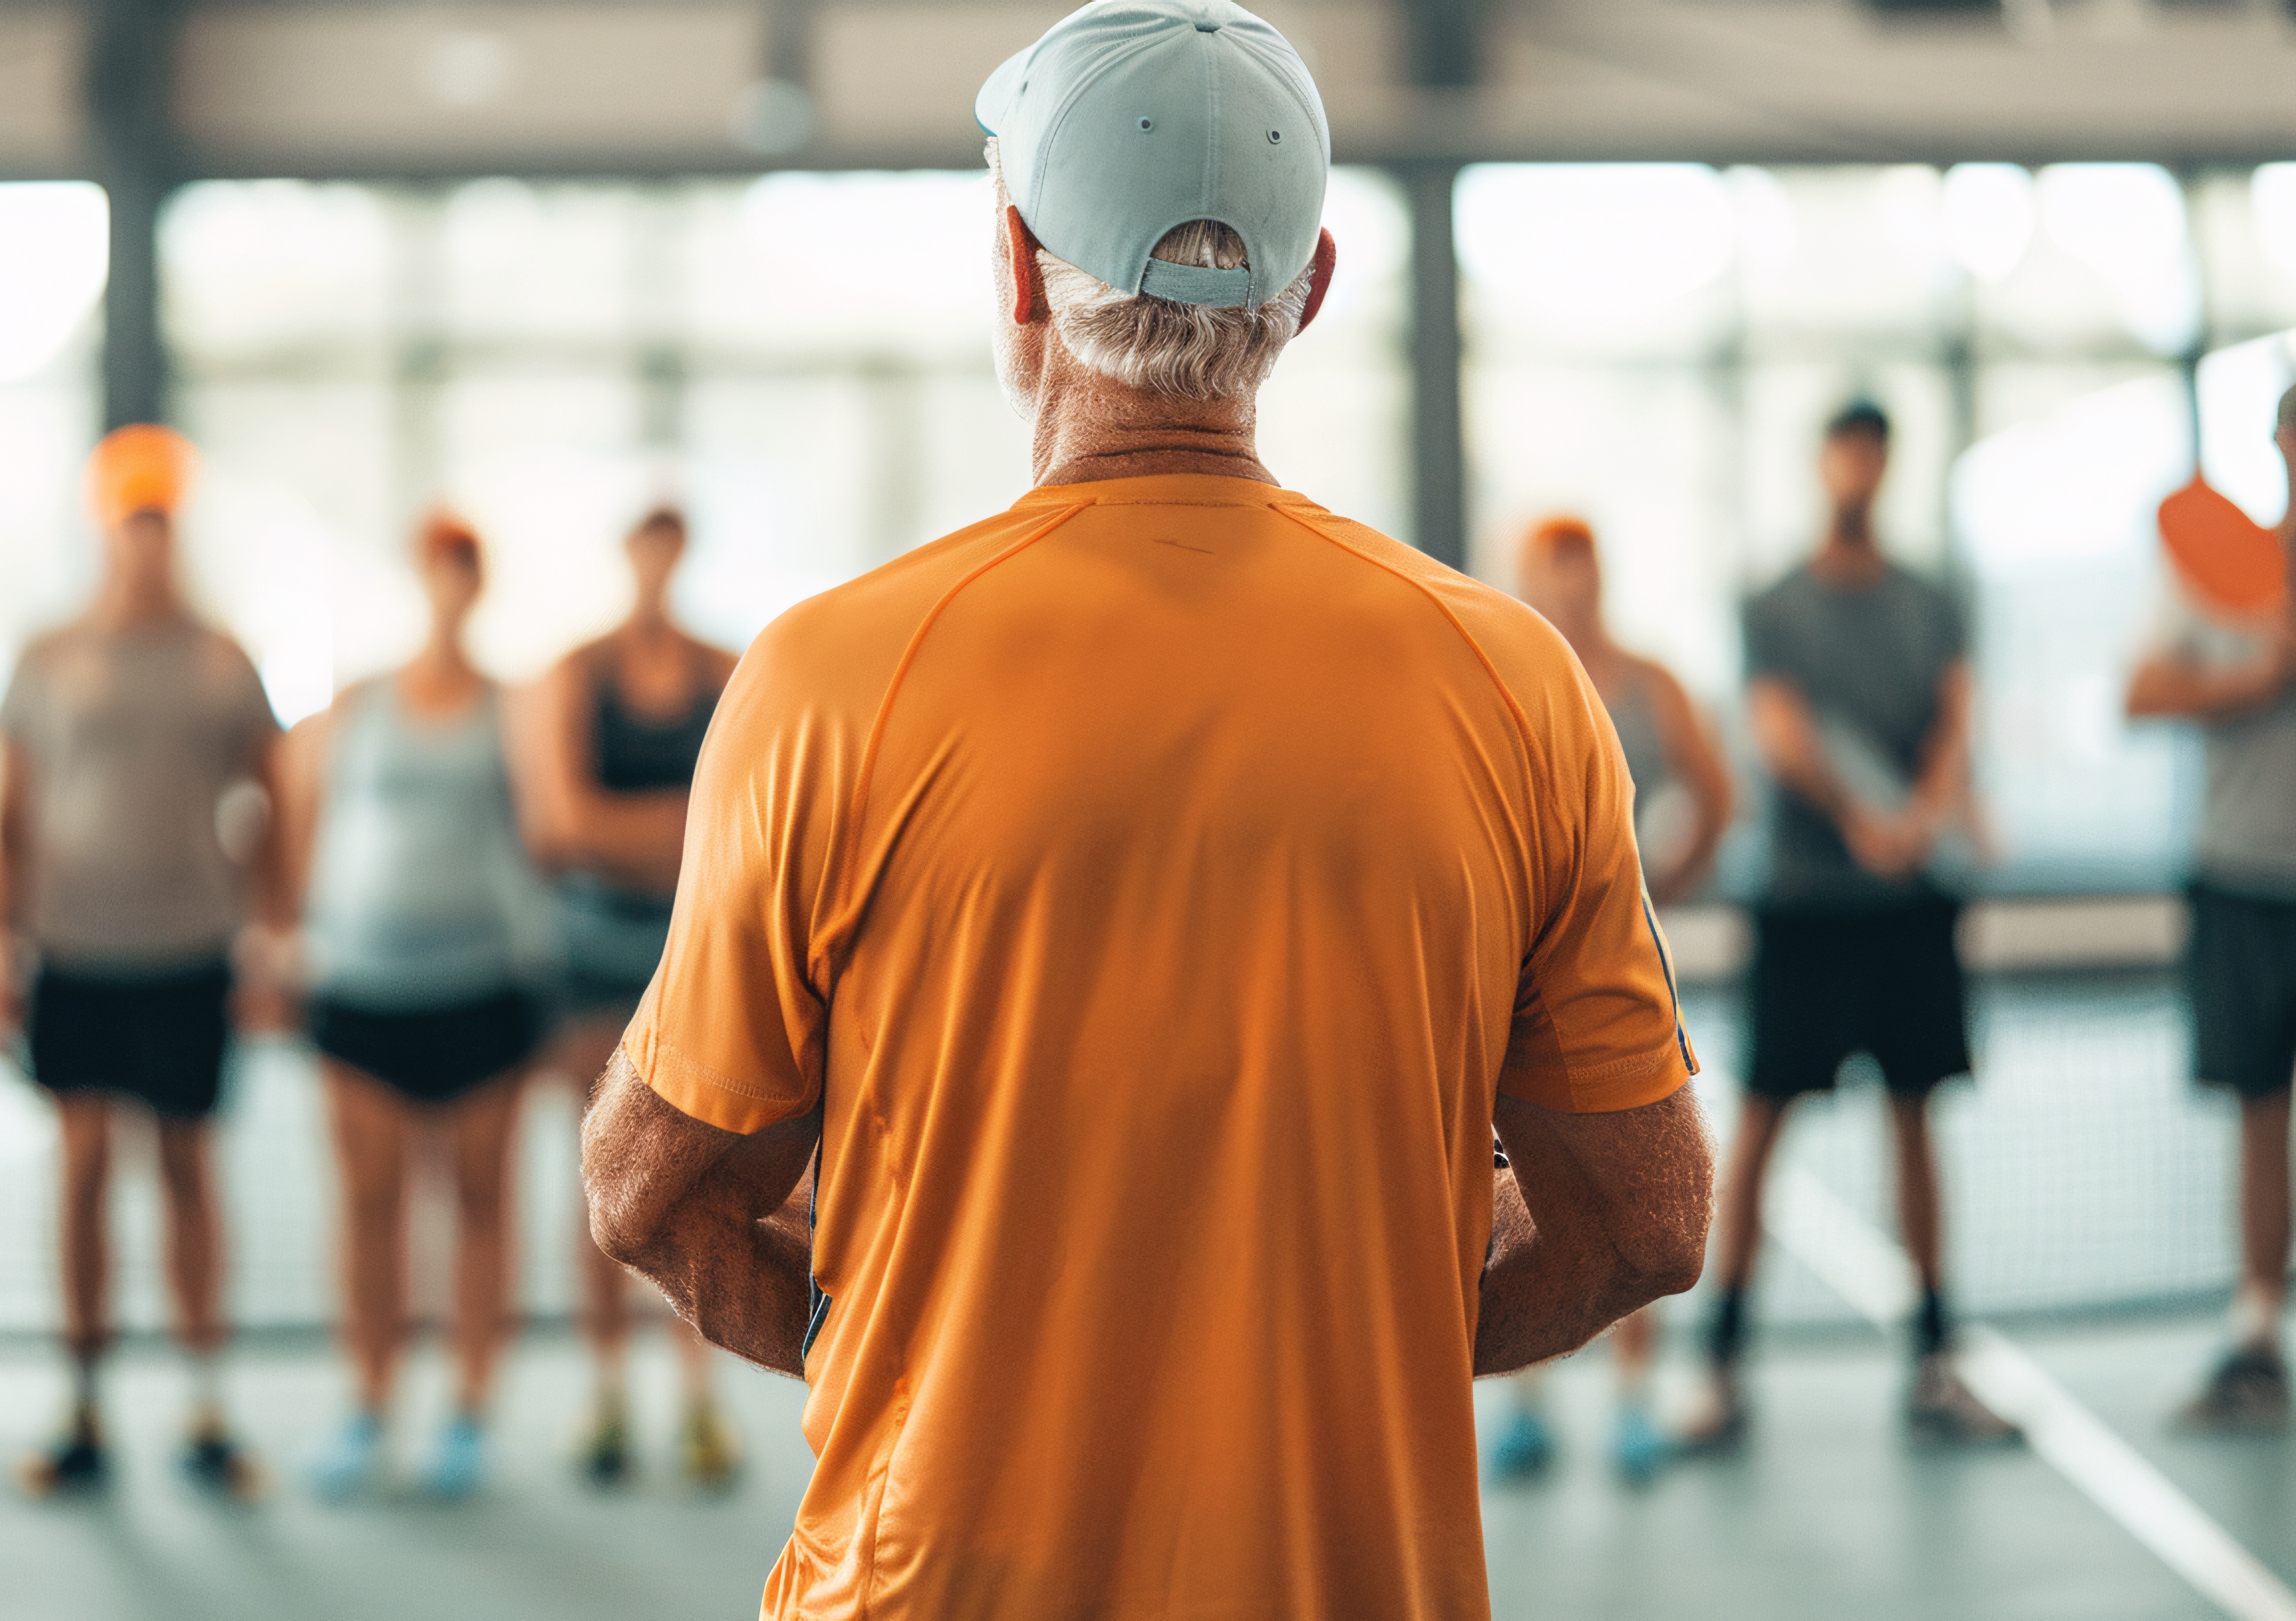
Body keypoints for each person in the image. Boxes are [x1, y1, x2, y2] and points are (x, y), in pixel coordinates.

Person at [579, 3, 1715, 1613]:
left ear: (1020, 272)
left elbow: (647, 1191)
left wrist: (902, 1335)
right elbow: (1644, 1223)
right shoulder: (1511, 683)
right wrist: (1347, 1349)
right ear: (1308, 286)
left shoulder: (830, 678)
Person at [1684, 401, 2014, 1451]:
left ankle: (1931, 1360)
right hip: (1803, 908)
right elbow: (1776, 729)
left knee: (1915, 1123)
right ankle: (1721, 1368)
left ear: (1886, 465)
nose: (1856, 470)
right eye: (1843, 451)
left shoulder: (1929, 601)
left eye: (1873, 452)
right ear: (1822, 462)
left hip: (1909, 911)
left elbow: (1957, 713)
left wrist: (1921, 815)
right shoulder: (1773, 604)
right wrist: (1860, 819)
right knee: (1765, 1125)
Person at [0, 424, 285, 1499]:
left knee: (188, 1173)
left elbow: (276, 800)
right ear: (104, 528)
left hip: (189, 956)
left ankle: (206, 1408)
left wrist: (269, 936)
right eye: (128, 519)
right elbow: (3, 812)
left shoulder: (221, 657)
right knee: (85, 1170)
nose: (143, 539)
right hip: (72, 954)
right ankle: (83, 1408)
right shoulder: (46, 656)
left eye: (159, 519)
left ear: (175, 528)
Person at [278, 515, 547, 1501]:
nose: (448, 584)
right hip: (361, 986)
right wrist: (297, 941)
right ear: (417, 577)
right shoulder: (357, 705)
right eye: (435, 566)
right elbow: (302, 823)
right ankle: (368, 1400)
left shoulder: (511, 708)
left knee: (477, 1204)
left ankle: (470, 1409)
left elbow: (543, 829)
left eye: (463, 568)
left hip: (482, 986)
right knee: (369, 1205)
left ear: (478, 583)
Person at [1487, 516, 1736, 1485]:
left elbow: (1714, 796)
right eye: (1549, 573)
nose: (1567, 589)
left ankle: (1632, 1403)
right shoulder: (1499, 674)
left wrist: (1657, 890)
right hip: (1511, 980)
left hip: (1612, 978)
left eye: (1579, 573)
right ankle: (1524, 1403)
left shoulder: (1646, 683)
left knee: (1636, 1185)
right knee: (1518, 1174)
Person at [510, 505, 744, 1491]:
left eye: (669, 543)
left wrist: (631, 828)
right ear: (625, 555)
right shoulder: (578, 671)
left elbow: (743, 818)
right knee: (600, 1179)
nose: (655, 561)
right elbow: (559, 825)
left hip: (686, 957)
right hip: (591, 961)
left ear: (682, 552)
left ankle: (698, 1397)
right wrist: (677, 829)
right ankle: (604, 1392)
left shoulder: (723, 667)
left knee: (698, 1177)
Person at [2127, 383, 2296, 1430]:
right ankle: (2254, 1331)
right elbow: (2139, 690)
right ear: (2279, 444)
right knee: (2257, 1110)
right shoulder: (2218, 577)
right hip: (2240, 877)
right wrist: (2261, 673)